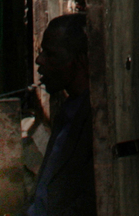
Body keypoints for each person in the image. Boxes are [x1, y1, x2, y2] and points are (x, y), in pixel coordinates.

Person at [25, 13, 96, 216]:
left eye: (51, 55)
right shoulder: (68, 109)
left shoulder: (93, 122)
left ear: (81, 61)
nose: (39, 61)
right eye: (42, 52)